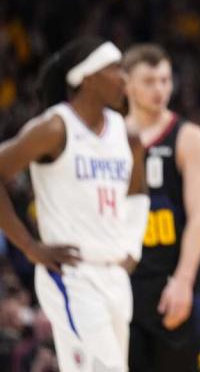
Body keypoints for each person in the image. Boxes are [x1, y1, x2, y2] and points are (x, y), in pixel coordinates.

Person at [0, 36, 149, 372]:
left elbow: (138, 191)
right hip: (71, 273)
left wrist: (132, 247)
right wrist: (28, 246)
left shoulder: (127, 135)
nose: (125, 79)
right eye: (116, 69)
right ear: (88, 77)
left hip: (114, 274)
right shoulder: (55, 127)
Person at [123, 44, 200, 372]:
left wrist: (184, 280)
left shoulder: (188, 137)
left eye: (165, 80)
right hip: (121, 284)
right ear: (126, 84)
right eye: (149, 81)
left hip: (170, 282)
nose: (159, 89)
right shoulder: (108, 137)